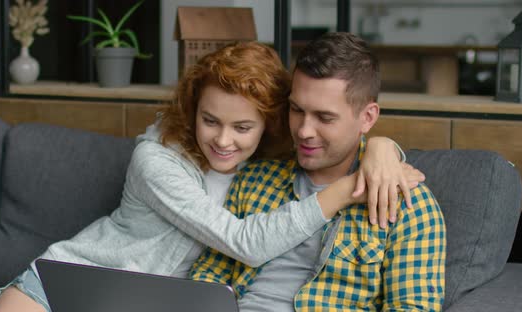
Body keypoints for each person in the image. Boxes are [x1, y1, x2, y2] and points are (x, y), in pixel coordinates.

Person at [0, 41, 422, 312]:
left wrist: (382, 149)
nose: (224, 142)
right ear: (193, 109)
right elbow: (246, 243)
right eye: (210, 120)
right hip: (67, 280)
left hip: (137, 302)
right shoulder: (156, 162)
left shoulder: (270, 157)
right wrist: (349, 189)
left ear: (267, 124)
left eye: (242, 127)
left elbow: (332, 140)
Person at [190, 33, 446, 311]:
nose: (303, 131)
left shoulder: (408, 204)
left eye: (324, 118)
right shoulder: (255, 178)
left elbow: (412, 308)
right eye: (297, 110)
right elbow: (208, 275)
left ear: (368, 117)